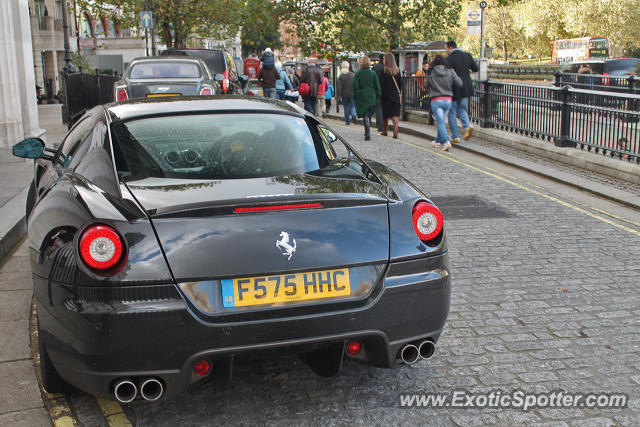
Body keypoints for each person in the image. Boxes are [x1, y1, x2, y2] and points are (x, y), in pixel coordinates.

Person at [425, 54, 462, 152]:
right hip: (448, 99)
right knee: (441, 121)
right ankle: (437, 140)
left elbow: (426, 85)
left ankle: (446, 142)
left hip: (436, 99)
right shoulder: (450, 71)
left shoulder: (431, 71)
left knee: (440, 122)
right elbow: (459, 83)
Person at [445, 40, 479, 142]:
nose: (445, 51)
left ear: (450, 47)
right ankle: (467, 125)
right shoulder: (467, 55)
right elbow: (475, 69)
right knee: (462, 109)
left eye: (446, 48)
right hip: (466, 87)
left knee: (451, 112)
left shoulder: (448, 59)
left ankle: (456, 136)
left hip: (453, 88)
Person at [353, 55, 380, 140]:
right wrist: (378, 95)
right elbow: (377, 86)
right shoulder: (373, 73)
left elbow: (355, 87)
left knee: (365, 114)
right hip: (372, 96)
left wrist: (356, 96)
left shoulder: (358, 74)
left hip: (362, 96)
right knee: (369, 113)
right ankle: (367, 130)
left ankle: (367, 131)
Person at [379, 52, 402, 138]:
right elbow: (400, 84)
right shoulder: (398, 70)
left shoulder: (384, 71)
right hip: (395, 95)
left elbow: (381, 84)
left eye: (384, 59)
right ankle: (395, 130)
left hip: (385, 96)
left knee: (385, 114)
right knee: (394, 114)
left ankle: (385, 131)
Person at [336, 60, 356, 125]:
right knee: (353, 106)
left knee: (345, 107)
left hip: (344, 94)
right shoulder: (353, 75)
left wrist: (338, 96)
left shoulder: (341, 76)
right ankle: (353, 115)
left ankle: (347, 121)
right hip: (352, 93)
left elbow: (339, 87)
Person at [372, 54, 385, 132]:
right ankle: (384, 125)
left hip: (377, 89)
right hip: (386, 90)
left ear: (378, 59)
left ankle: (380, 125)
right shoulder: (387, 67)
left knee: (379, 108)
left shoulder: (375, 67)